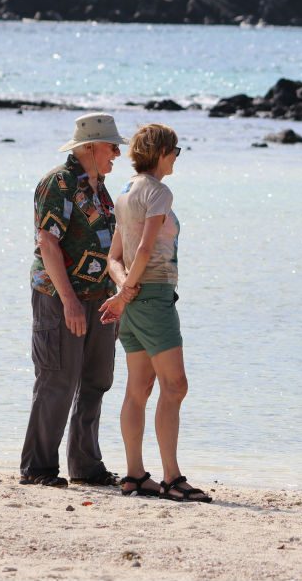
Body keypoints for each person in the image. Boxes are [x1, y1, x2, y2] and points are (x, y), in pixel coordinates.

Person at [21, 112, 135, 488]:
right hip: (60, 297)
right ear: (89, 147)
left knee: (96, 380)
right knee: (57, 379)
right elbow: (47, 243)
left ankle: (85, 467)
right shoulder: (60, 183)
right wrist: (69, 301)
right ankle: (38, 468)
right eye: (111, 146)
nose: (117, 153)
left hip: (98, 298)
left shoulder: (98, 187)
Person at [100, 123, 212, 503]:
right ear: (161, 153)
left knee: (139, 388)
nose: (177, 157)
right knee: (175, 386)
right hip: (154, 297)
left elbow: (113, 257)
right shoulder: (159, 193)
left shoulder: (126, 192)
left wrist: (122, 293)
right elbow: (145, 250)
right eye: (175, 150)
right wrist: (128, 291)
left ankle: (133, 474)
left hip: (133, 301)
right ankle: (172, 478)